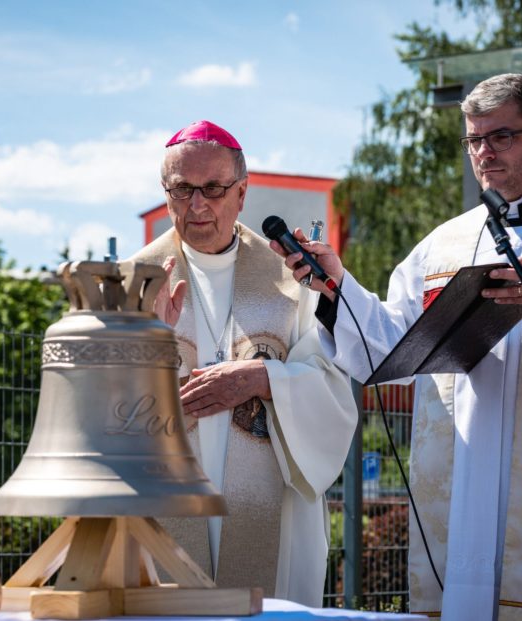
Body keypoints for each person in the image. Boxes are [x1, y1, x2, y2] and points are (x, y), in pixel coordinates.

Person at [272, 74, 522, 619]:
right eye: (473, 140)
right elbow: (390, 348)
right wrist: (338, 289)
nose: (483, 153)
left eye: (501, 137)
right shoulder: (441, 245)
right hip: (457, 481)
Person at [129, 120, 357, 607]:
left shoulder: (291, 279)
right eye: (182, 189)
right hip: (162, 503)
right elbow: (98, 412)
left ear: (242, 193)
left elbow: (333, 391)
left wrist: (265, 378)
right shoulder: (133, 283)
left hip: (269, 509)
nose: (197, 205)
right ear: (165, 193)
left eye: (212, 188)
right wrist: (141, 345)